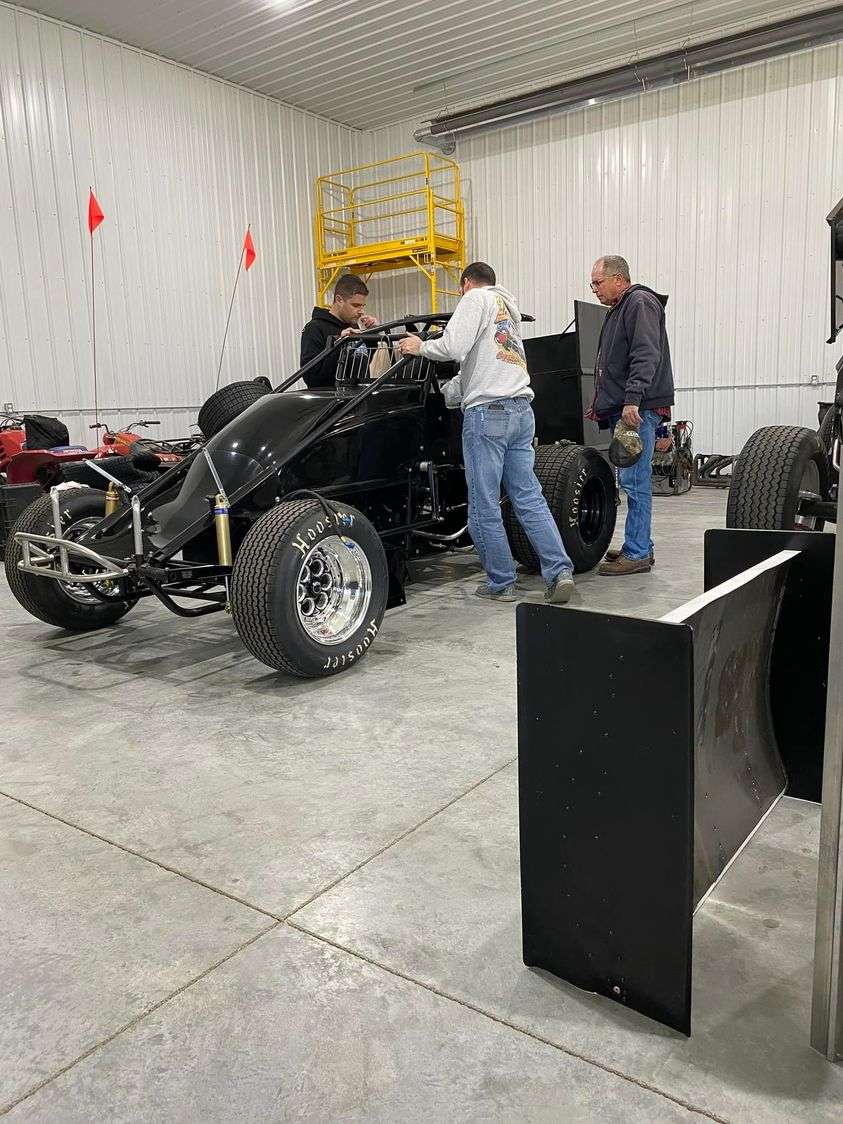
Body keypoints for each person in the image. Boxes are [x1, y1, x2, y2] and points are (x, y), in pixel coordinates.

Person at [399, 262, 575, 605]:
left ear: (466, 284)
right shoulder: (507, 309)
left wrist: (418, 346)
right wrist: (449, 392)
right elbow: (478, 367)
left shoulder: (474, 299)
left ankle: (500, 582)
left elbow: (452, 347)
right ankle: (559, 571)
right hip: (522, 411)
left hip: (488, 415)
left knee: (483, 504)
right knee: (528, 497)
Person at [588, 255, 675, 576]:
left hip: (635, 410)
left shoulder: (638, 302)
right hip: (631, 408)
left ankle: (637, 552)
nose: (594, 289)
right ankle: (639, 546)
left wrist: (632, 399)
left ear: (618, 280)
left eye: (598, 282)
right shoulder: (621, 308)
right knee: (632, 479)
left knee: (635, 481)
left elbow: (645, 352)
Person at [300, 274, 378, 388]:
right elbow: (311, 378)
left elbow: (362, 364)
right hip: (333, 403)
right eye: (355, 305)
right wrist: (339, 345)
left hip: (358, 398)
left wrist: (371, 335)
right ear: (339, 300)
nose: (361, 311)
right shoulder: (314, 328)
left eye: (362, 306)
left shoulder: (354, 326)